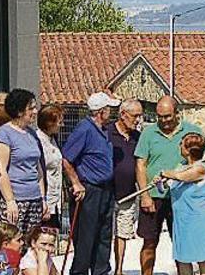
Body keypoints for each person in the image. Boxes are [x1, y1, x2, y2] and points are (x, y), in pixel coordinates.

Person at [134, 96, 205, 275]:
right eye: (160, 116)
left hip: (180, 201)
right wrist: (145, 196)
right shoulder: (148, 133)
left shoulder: (191, 131)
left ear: (176, 113)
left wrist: (195, 179)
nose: (163, 121)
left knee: (181, 245)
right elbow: (141, 164)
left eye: (167, 116)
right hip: (154, 196)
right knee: (149, 242)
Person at [61, 92, 119, 275]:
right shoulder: (84, 129)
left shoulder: (103, 130)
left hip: (105, 190)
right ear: (101, 112)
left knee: (104, 234)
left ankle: (100, 271)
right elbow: (66, 159)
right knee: (86, 237)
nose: (111, 112)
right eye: (109, 109)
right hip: (90, 190)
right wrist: (76, 183)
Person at [156, 133, 205, 275]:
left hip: (199, 221)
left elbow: (181, 177)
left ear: (188, 150)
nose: (179, 146)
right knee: (183, 259)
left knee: (203, 260)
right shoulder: (181, 167)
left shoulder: (201, 169)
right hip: (182, 221)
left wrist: (164, 172)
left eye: (181, 144)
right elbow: (166, 187)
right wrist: (160, 182)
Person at [0, 89, 48, 234]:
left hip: (35, 199)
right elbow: (2, 170)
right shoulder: (5, 133)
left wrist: (43, 198)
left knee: (30, 245)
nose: (35, 111)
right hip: (16, 200)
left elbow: (38, 170)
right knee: (11, 244)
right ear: (19, 111)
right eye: (31, 108)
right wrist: (10, 201)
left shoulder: (32, 134)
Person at [108, 99, 142, 275]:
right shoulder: (107, 133)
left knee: (123, 234)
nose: (138, 120)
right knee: (105, 234)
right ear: (123, 114)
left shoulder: (137, 137)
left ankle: (119, 270)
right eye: (135, 116)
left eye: (140, 116)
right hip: (107, 194)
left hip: (128, 194)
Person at [34, 106, 64, 229]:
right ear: (49, 123)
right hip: (44, 198)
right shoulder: (37, 140)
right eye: (59, 122)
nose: (61, 125)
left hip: (55, 198)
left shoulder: (53, 139)